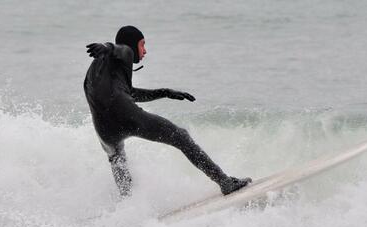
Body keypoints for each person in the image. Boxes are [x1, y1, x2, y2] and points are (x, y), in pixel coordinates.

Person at [84, 25, 251, 197]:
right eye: (142, 44)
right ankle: (225, 182)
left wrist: (165, 92)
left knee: (117, 160)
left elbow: (129, 93)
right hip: (127, 116)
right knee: (181, 136)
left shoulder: (98, 71)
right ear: (133, 45)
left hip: (105, 132)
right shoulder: (125, 51)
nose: (145, 51)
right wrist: (105, 46)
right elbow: (116, 48)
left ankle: (128, 205)